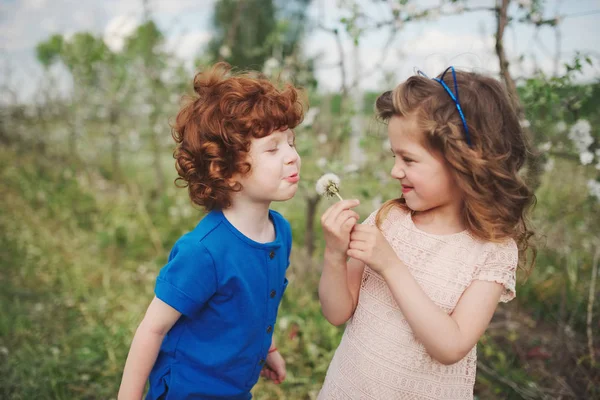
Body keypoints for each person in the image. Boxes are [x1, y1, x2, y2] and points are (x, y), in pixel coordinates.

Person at [318, 67, 535, 399]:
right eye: (394, 156)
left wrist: (390, 266)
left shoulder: (492, 251)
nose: (395, 170)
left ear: (463, 162)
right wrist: (334, 255)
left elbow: (450, 346)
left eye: (409, 159)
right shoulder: (388, 220)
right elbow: (337, 313)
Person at [118, 62, 305, 400]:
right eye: (273, 148)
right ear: (227, 171)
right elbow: (152, 328)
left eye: (290, 142)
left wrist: (270, 347)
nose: (292, 156)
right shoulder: (204, 252)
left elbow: (256, 302)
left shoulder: (281, 232)